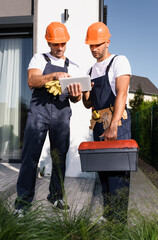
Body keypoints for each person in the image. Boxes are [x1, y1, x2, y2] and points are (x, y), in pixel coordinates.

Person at [15, 22, 82, 214]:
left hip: (61, 113)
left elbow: (76, 99)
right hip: (39, 112)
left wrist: (77, 93)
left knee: (59, 157)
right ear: (48, 42)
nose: (59, 48)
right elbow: (32, 81)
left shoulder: (74, 66)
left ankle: (56, 197)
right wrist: (53, 76)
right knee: (30, 156)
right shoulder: (39, 59)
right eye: (55, 44)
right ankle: (23, 203)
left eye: (62, 44)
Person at [82, 22, 132, 222]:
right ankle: (108, 215)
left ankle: (119, 222)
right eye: (91, 45)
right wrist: (84, 92)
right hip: (98, 124)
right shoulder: (90, 70)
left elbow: (122, 93)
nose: (94, 49)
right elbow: (88, 104)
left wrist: (113, 125)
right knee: (103, 173)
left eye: (98, 44)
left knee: (118, 173)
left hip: (116, 122)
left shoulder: (120, 61)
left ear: (108, 42)